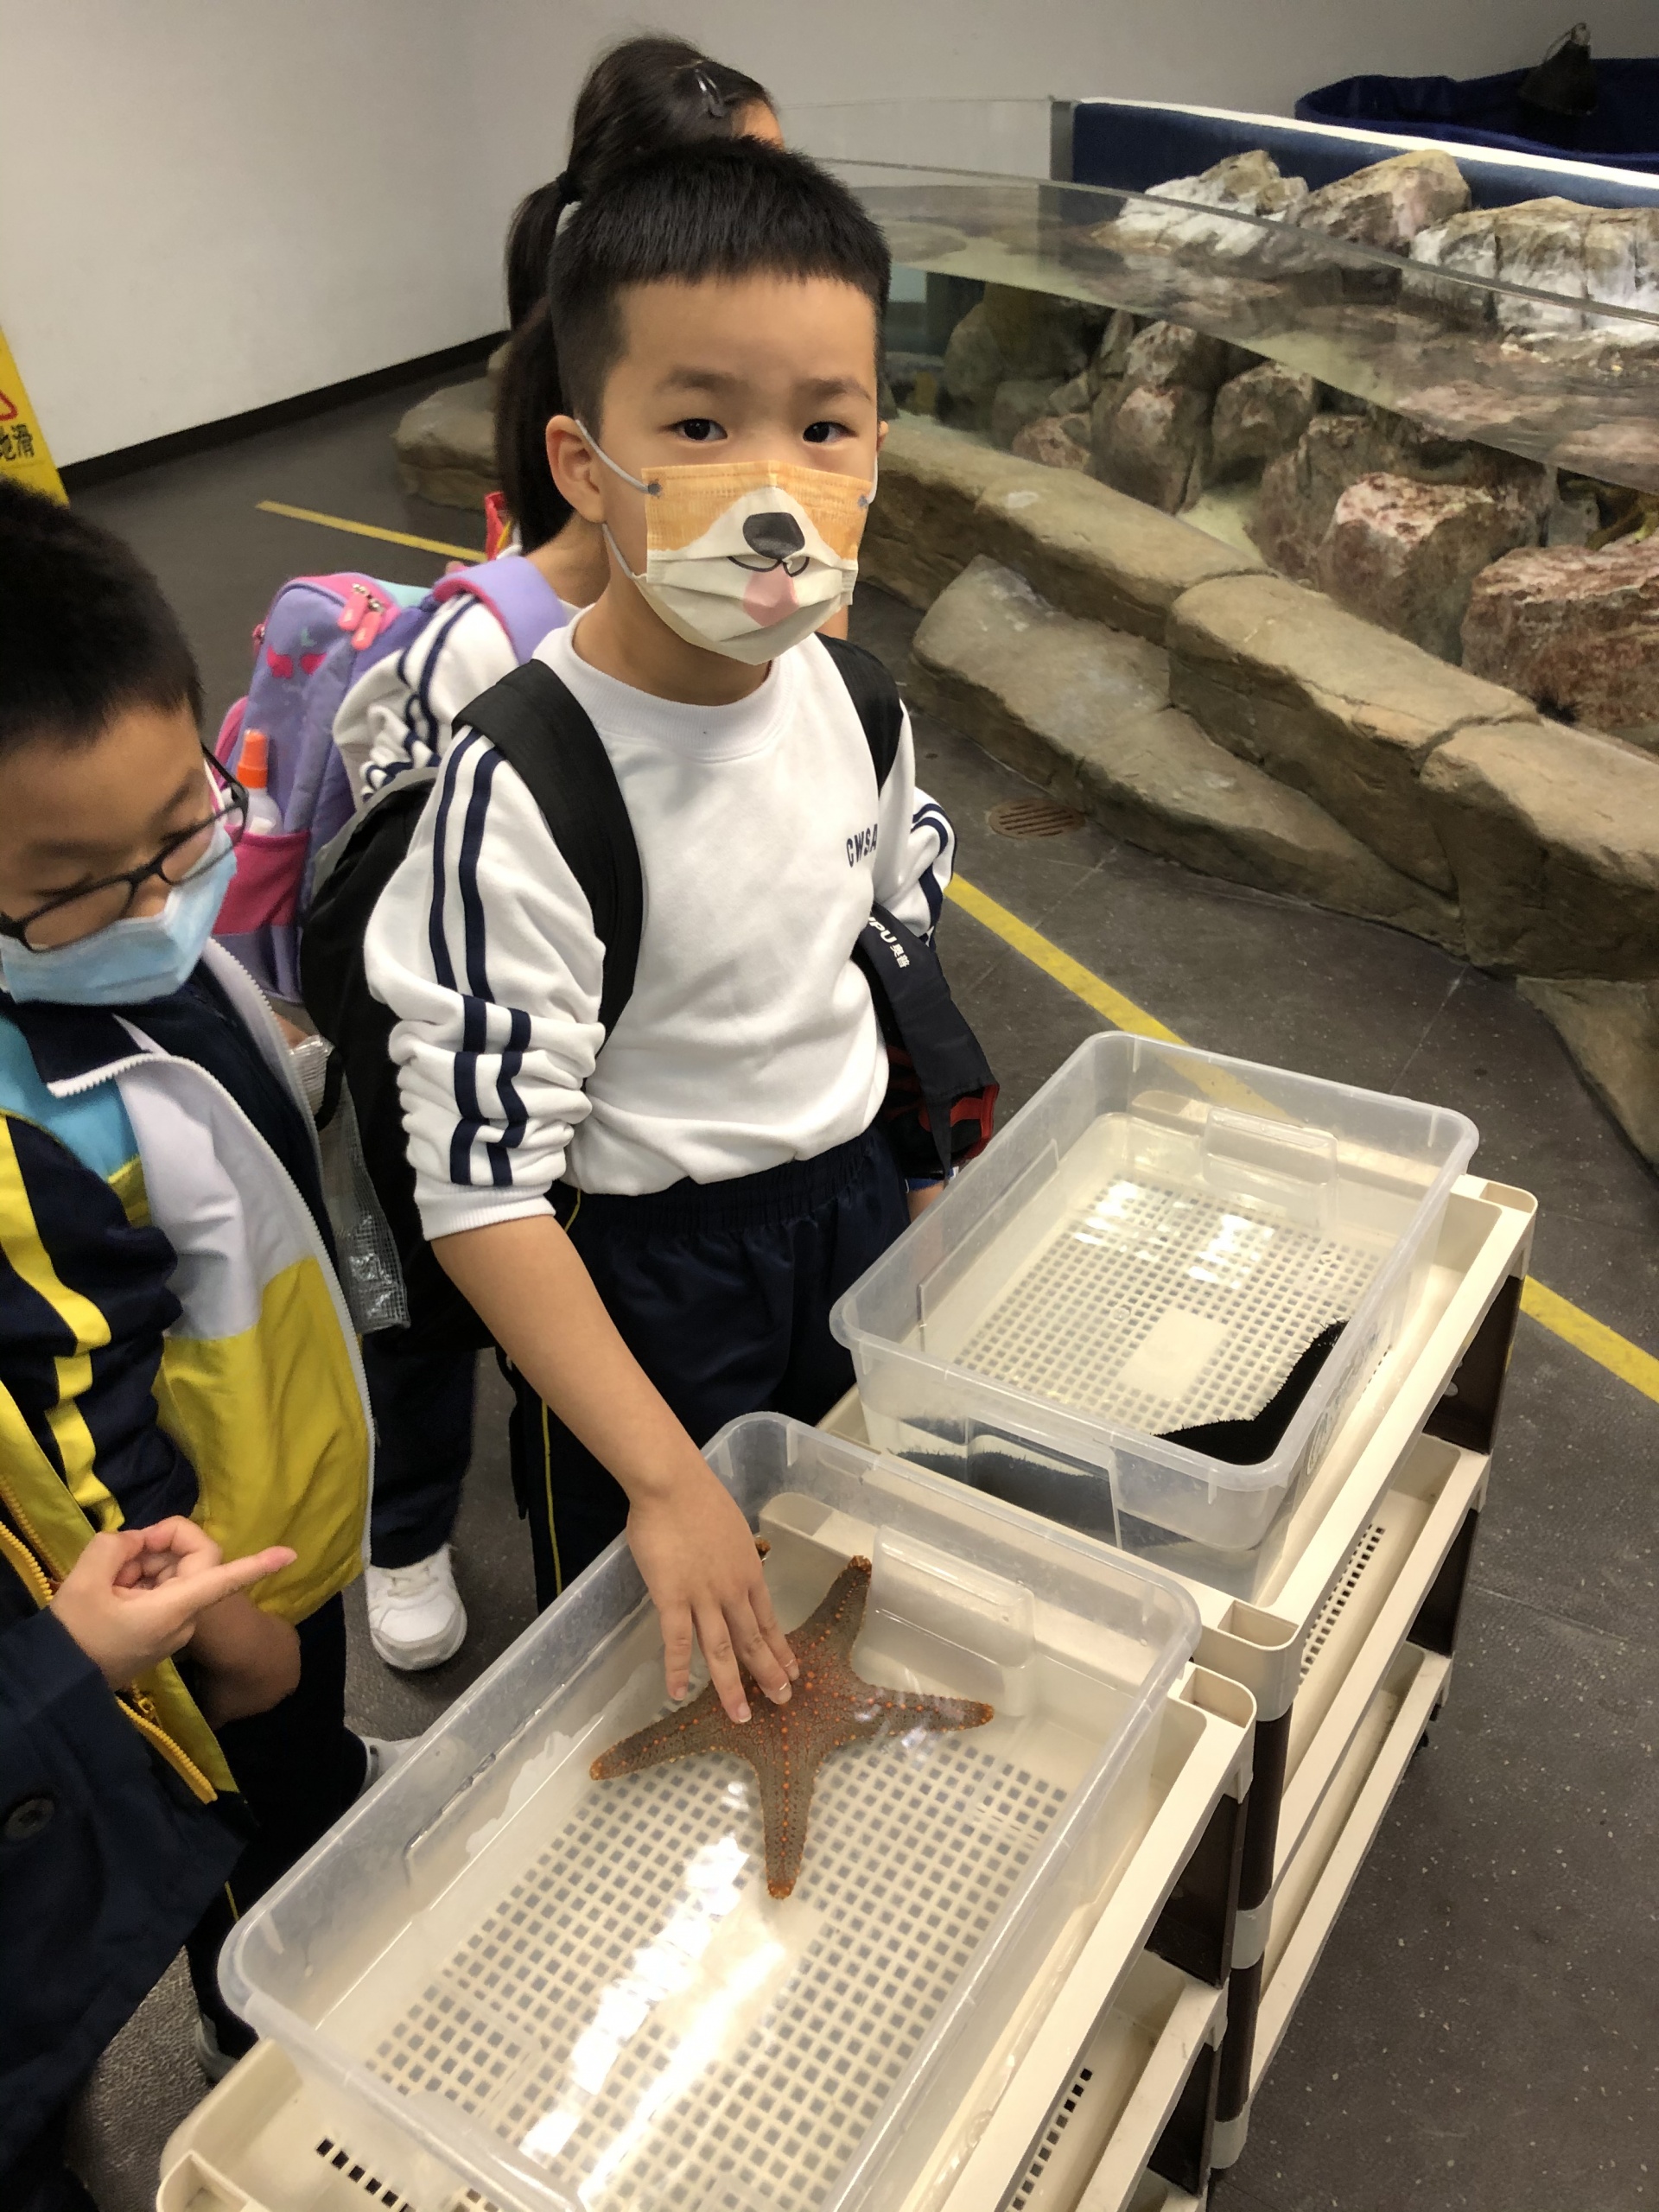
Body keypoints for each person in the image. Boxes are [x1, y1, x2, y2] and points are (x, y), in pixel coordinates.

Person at [365, 138, 963, 1728]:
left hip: (850, 1219)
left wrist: (923, 1205)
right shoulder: (528, 781)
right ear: (582, 461)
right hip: (646, 1278)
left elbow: (885, 956)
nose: (773, 489)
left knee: (840, 1578)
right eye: (699, 426)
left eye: (823, 425)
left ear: (877, 445)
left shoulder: (855, 699)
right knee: (668, 1645)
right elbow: (482, 1187)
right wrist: (659, 1476)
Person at [334, 37, 782, 1675]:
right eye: (707, 421)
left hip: (663, 1158)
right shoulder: (488, 667)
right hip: (528, 1128)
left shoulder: (812, 674)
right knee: (436, 1290)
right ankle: (405, 1522)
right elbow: (453, 1114)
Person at [0, 481, 384, 2198]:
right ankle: (268, 2042)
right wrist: (219, 1626)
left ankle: (324, 1833)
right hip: (196, 1576)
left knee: (314, 1744)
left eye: (183, 825)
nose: (159, 896)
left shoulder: (134, 946)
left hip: (287, 1492)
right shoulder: (22, 1138)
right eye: (75, 887)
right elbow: (76, 1434)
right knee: (251, 1809)